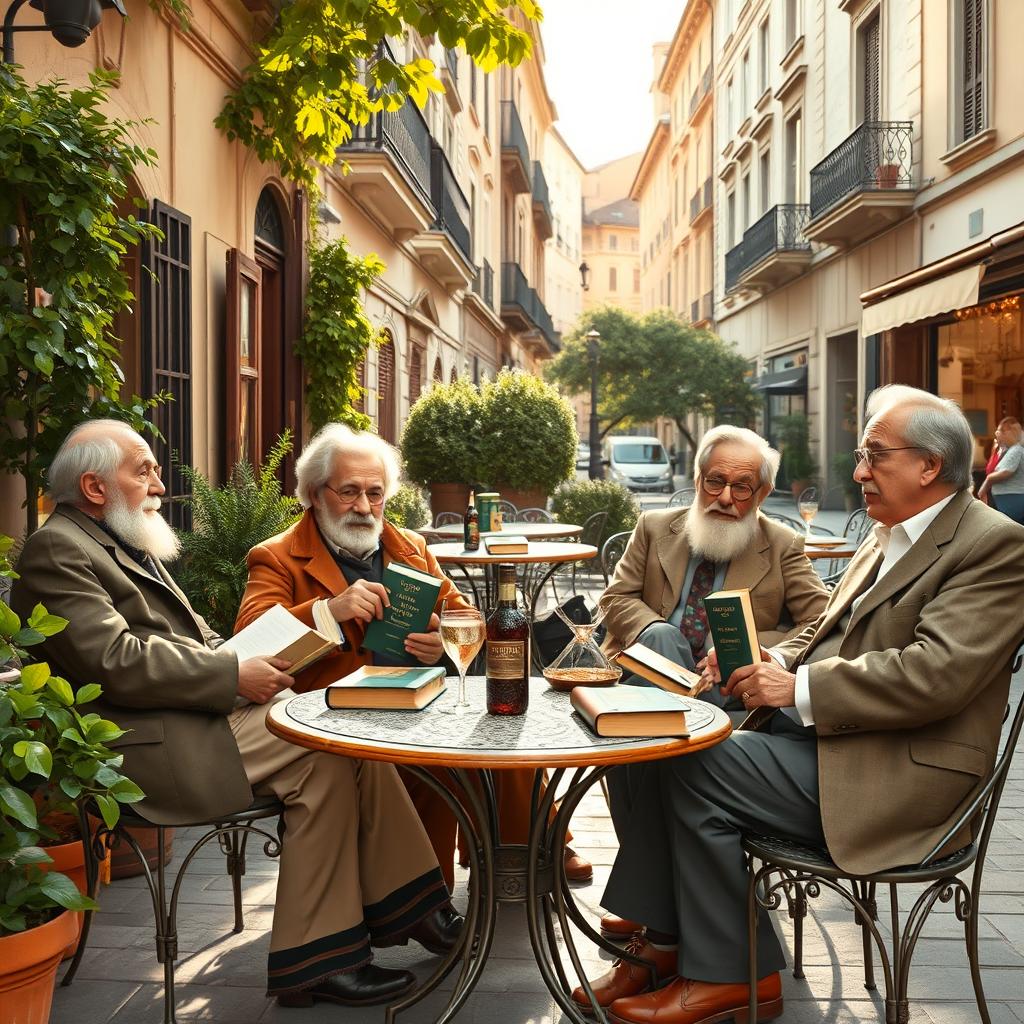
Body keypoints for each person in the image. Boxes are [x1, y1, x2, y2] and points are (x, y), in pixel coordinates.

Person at [572, 386, 1024, 1024]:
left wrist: (800, 688)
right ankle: (683, 949)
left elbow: (938, 674)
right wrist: (781, 661)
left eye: (874, 456)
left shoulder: (994, 543)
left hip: (904, 775)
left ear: (928, 466)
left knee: (688, 756)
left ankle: (725, 972)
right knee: (669, 740)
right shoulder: (892, 532)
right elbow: (827, 628)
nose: (858, 471)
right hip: (840, 743)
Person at [12, 420, 459, 1009]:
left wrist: (242, 661)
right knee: (332, 738)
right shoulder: (58, 550)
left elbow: (193, 641)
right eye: (143, 470)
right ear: (95, 487)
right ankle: (414, 909)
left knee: (331, 758)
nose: (159, 485)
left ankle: (319, 961)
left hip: (186, 721)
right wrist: (231, 675)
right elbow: (115, 661)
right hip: (140, 749)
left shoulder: (115, 542)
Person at [234, 423, 591, 888]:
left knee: (503, 727)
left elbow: (467, 618)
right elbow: (250, 640)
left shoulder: (408, 547)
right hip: (335, 714)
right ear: (314, 494)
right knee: (427, 760)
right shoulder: (278, 556)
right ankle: (428, 898)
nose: (364, 507)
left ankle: (532, 843)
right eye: (349, 492)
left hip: (416, 699)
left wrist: (442, 637)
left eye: (375, 493)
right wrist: (328, 612)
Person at [595, 426, 829, 938]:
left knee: (642, 740)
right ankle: (656, 893)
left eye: (741, 487)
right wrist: (659, 635)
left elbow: (822, 623)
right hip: (650, 680)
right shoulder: (656, 526)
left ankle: (648, 901)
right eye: (714, 482)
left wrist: (758, 649)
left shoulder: (783, 544)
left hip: (731, 697)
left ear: (762, 494)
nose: (725, 497)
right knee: (655, 660)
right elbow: (614, 600)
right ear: (697, 480)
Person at [978, 417, 1024, 523]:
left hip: (1011, 498)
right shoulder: (1012, 450)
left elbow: (1004, 473)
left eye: (999, 432)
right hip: (1010, 499)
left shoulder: (1015, 451)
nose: (997, 435)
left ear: (1008, 433)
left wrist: (983, 488)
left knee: (1012, 531)